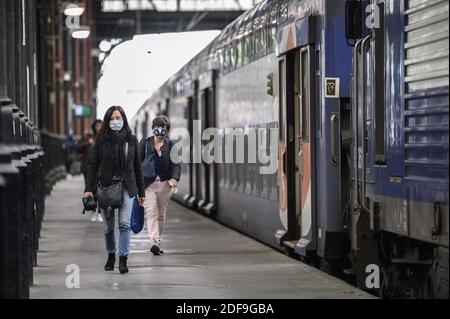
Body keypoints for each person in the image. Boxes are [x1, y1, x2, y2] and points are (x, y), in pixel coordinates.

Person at [84, 106, 145, 274]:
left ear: (124, 119)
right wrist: (88, 189)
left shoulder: (131, 139)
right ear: (107, 121)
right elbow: (93, 165)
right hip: (106, 188)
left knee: (124, 224)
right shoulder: (101, 140)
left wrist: (141, 193)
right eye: (112, 118)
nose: (115, 121)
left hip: (127, 187)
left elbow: (137, 167)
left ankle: (123, 260)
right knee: (108, 228)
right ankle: (111, 254)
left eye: (118, 117)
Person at [139, 116, 180, 256]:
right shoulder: (144, 144)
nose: (160, 129)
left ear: (166, 130)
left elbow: (176, 164)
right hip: (148, 185)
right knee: (151, 212)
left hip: (164, 184)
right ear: (153, 128)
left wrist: (174, 178)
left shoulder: (171, 145)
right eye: (157, 126)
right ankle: (154, 242)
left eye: (163, 127)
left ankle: (158, 241)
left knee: (161, 215)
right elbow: (137, 164)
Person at [76, 120, 104, 222]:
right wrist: (87, 143)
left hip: (100, 169)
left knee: (100, 190)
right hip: (87, 168)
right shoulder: (88, 137)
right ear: (94, 127)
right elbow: (77, 148)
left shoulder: (105, 138)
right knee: (90, 190)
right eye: (97, 126)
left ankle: (100, 212)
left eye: (101, 126)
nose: (99, 128)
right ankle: (92, 210)